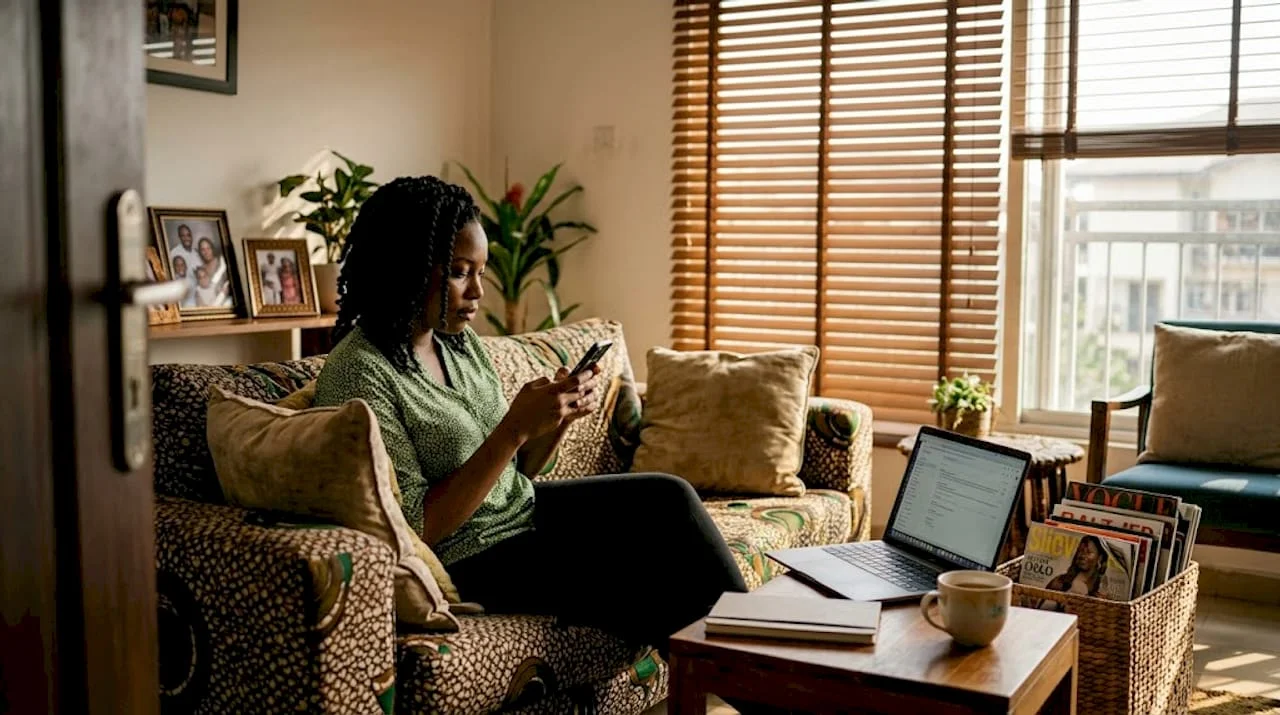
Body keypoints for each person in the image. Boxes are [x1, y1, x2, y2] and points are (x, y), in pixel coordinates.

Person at [313, 176, 746, 652]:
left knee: (668, 498)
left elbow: (518, 470)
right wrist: (515, 428)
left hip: (524, 513)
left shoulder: (457, 343)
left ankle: (769, 663)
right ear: (408, 267)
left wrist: (555, 419)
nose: (478, 291)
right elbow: (416, 527)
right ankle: (769, 685)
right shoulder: (360, 375)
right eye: (460, 272)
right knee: (649, 575)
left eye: (481, 271)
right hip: (472, 557)